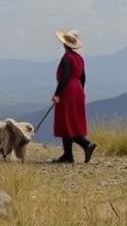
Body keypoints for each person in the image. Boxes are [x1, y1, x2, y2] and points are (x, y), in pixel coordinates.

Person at [51, 29, 96, 163]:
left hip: (68, 91)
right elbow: (83, 77)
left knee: (66, 122)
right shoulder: (79, 58)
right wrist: (80, 91)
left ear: (64, 44)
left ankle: (83, 146)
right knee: (73, 121)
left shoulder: (66, 58)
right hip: (78, 90)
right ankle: (69, 154)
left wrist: (57, 94)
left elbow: (64, 78)